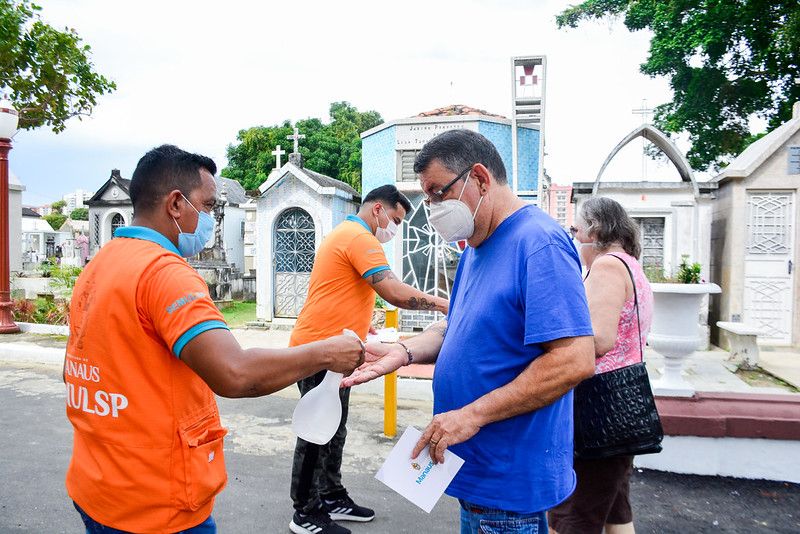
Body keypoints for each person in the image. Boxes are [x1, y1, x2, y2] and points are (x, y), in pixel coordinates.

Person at [63, 145, 364, 534]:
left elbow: (87, 369)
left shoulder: (101, 264)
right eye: (206, 206)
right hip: (156, 503)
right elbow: (235, 374)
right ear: (176, 204)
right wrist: (325, 352)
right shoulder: (164, 273)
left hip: (97, 485)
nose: (209, 218)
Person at [342, 129, 596, 533]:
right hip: (474, 472)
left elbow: (574, 358)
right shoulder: (476, 251)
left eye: (437, 193)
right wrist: (404, 352)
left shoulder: (538, 242)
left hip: (508, 484)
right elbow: (454, 327)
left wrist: (472, 415)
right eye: (427, 198)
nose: (432, 208)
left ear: (479, 178)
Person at [288, 184, 449, 534]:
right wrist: (446, 304)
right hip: (319, 351)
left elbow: (345, 292)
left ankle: (330, 496)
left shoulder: (349, 235)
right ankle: (305, 512)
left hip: (337, 351)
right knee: (318, 430)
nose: (394, 228)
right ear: (377, 209)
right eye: (394, 219)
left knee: (334, 429)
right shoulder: (359, 238)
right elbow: (392, 291)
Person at [548, 196, 654, 534]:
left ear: (594, 229)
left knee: (574, 514)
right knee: (616, 513)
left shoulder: (607, 266)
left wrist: (549, 348)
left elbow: (599, 340)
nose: (575, 237)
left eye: (576, 229)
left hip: (599, 408)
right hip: (623, 408)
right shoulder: (630, 264)